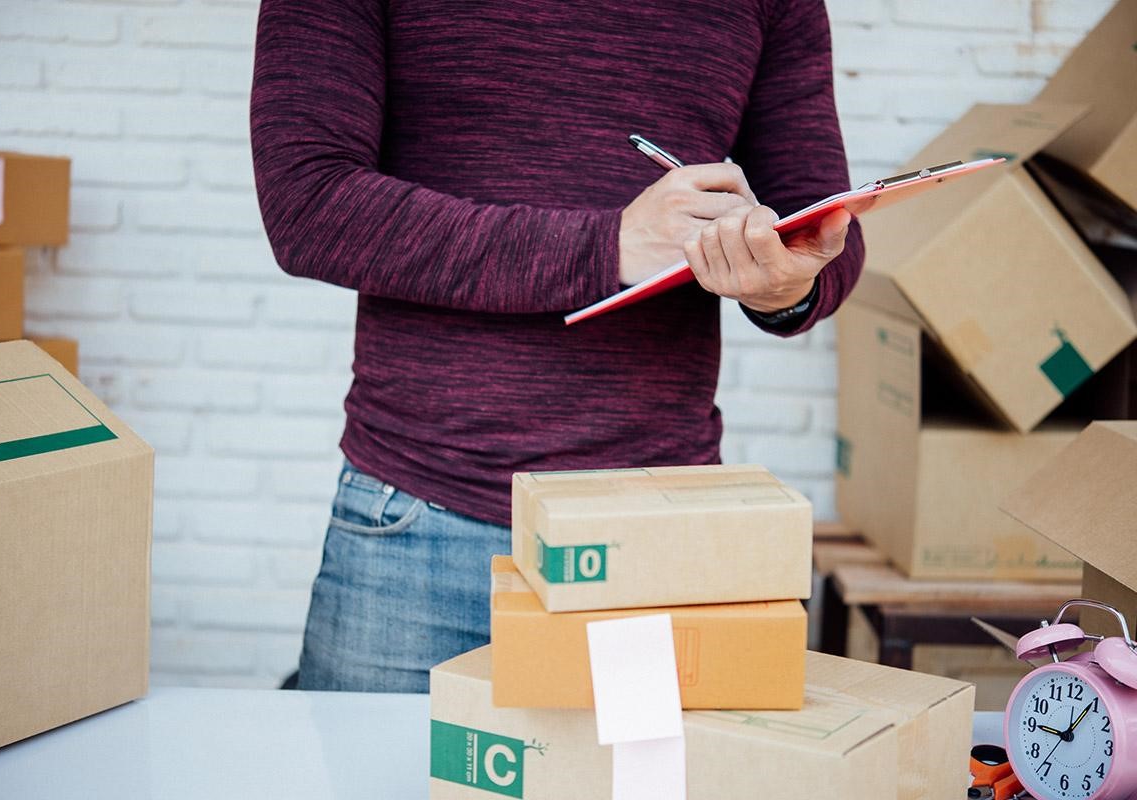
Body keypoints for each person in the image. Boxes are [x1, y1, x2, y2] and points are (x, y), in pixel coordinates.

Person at [250, 0, 864, 692]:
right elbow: (307, 204)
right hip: (419, 521)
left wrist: (781, 282)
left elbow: (826, 225)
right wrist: (606, 246)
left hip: (659, 528)